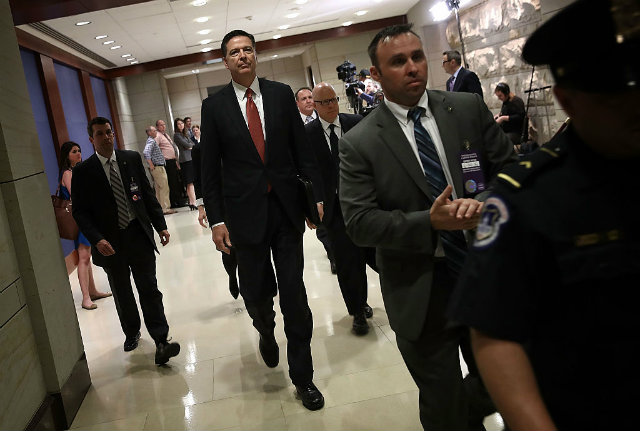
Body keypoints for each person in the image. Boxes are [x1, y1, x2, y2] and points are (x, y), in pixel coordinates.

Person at [448, 0, 640, 429]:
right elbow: (494, 330)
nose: (634, 104)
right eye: (615, 94)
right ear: (568, 99)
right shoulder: (529, 197)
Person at [338, 24, 516, 429]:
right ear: (376, 74)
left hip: (485, 273)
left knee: (503, 386)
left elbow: (510, 171)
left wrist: (485, 203)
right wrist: (428, 222)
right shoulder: (360, 142)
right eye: (398, 61)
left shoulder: (466, 108)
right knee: (443, 405)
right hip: (420, 289)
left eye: (417, 56)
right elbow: (359, 223)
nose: (413, 67)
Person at [200, 29, 325, 411]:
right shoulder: (214, 106)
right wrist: (217, 219)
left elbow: (301, 149)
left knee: (294, 294)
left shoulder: (280, 94)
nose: (242, 56)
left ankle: (303, 377)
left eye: (247, 49)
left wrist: (316, 197)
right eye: (234, 52)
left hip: (285, 210)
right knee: (256, 293)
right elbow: (209, 169)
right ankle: (265, 330)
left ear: (256, 55)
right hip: (244, 215)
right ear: (225, 61)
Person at [71, 116, 180, 365]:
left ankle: (161, 340)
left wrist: (160, 225)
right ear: (91, 139)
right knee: (122, 291)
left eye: (108, 132)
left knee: (149, 288)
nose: (106, 137)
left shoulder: (130, 159)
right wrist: (97, 239)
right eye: (100, 134)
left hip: (138, 234)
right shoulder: (83, 172)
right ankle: (132, 332)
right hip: (110, 243)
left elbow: (146, 194)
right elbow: (80, 212)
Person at [305, 82, 376, 335]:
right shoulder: (308, 134)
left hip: (364, 202)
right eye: (324, 102)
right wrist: (311, 207)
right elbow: (306, 173)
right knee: (347, 261)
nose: (331, 105)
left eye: (333, 99)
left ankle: (368, 300)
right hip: (334, 209)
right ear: (315, 106)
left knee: (372, 255)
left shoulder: (356, 123)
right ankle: (357, 311)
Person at [58, 141, 112, 310]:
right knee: (83, 257)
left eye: (79, 150)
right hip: (78, 221)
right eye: (74, 151)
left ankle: (92, 291)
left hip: (84, 219)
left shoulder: (76, 171)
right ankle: (86, 298)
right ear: (67, 155)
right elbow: (76, 195)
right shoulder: (68, 173)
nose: (78, 154)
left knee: (86, 256)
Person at [191, 135, 239, 300]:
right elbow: (198, 179)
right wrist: (201, 207)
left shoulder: (235, 139)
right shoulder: (199, 149)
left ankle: (249, 279)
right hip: (218, 203)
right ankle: (232, 275)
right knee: (227, 245)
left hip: (241, 198)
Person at [296, 86, 336, 274]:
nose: (308, 101)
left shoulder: (326, 117)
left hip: (333, 178)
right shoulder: (295, 126)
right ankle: (333, 255)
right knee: (322, 224)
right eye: (303, 99)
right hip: (314, 183)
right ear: (297, 103)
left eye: (310, 97)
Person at [143, 125, 175, 215]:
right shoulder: (151, 141)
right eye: (154, 130)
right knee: (164, 187)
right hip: (157, 167)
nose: (156, 132)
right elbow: (146, 152)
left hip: (157, 167)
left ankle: (160, 208)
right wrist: (151, 164)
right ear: (149, 132)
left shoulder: (151, 141)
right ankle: (166, 208)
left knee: (158, 189)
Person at [155, 119, 184, 208]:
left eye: (164, 124)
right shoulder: (157, 135)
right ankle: (174, 202)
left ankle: (179, 200)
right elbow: (155, 148)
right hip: (166, 162)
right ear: (157, 127)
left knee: (176, 181)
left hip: (173, 160)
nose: (163, 126)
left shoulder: (165, 135)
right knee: (172, 182)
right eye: (161, 125)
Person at [493, 82, 526, 149]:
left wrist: (503, 118)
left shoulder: (516, 101)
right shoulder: (506, 101)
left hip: (516, 133)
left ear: (506, 93)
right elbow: (506, 112)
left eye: (500, 96)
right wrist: (498, 116)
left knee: (499, 140)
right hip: (506, 131)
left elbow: (520, 116)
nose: (499, 98)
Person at [173, 118, 197, 210]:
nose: (181, 125)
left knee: (190, 182)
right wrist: (189, 146)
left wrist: (190, 147)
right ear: (176, 126)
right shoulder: (177, 135)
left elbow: (192, 144)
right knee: (189, 182)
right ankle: (193, 202)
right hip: (185, 160)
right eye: (179, 124)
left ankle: (191, 202)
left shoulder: (185, 134)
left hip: (190, 158)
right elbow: (187, 145)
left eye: (182, 123)